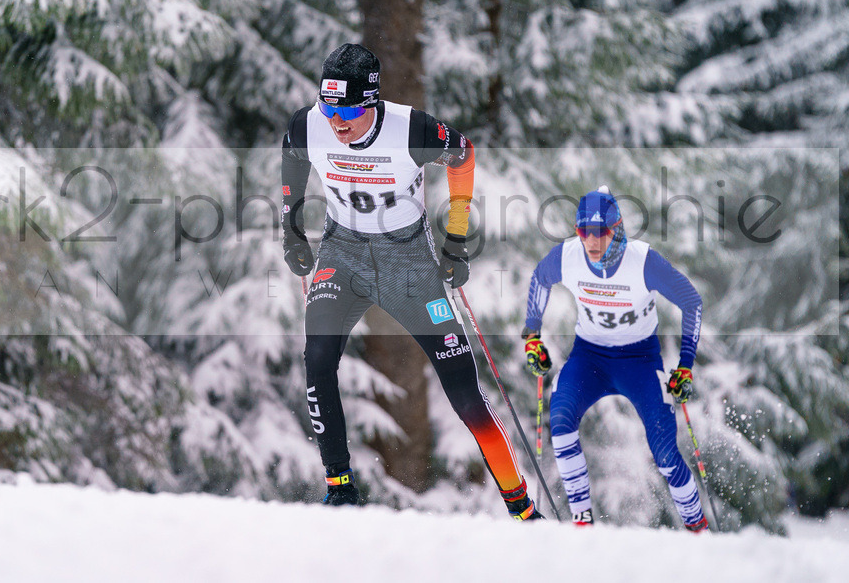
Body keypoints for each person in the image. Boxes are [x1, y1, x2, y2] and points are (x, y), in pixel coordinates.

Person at [281, 42, 542, 520]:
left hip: (408, 264)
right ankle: (340, 489)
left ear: (373, 102)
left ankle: (521, 507)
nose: (337, 122)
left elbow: (463, 158)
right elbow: (293, 160)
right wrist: (292, 230)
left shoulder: (410, 129)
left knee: (463, 390)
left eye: (350, 111)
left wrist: (456, 237)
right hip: (343, 253)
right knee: (317, 358)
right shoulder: (308, 123)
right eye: (329, 108)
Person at [521, 186, 708, 531]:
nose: (591, 241)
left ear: (617, 229)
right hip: (589, 358)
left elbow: (692, 302)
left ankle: (699, 529)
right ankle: (582, 524)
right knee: (560, 422)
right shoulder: (568, 256)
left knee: (665, 453)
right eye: (584, 232)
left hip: (640, 361)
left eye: (600, 232)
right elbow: (539, 279)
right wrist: (532, 336)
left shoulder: (643, 260)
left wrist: (685, 365)